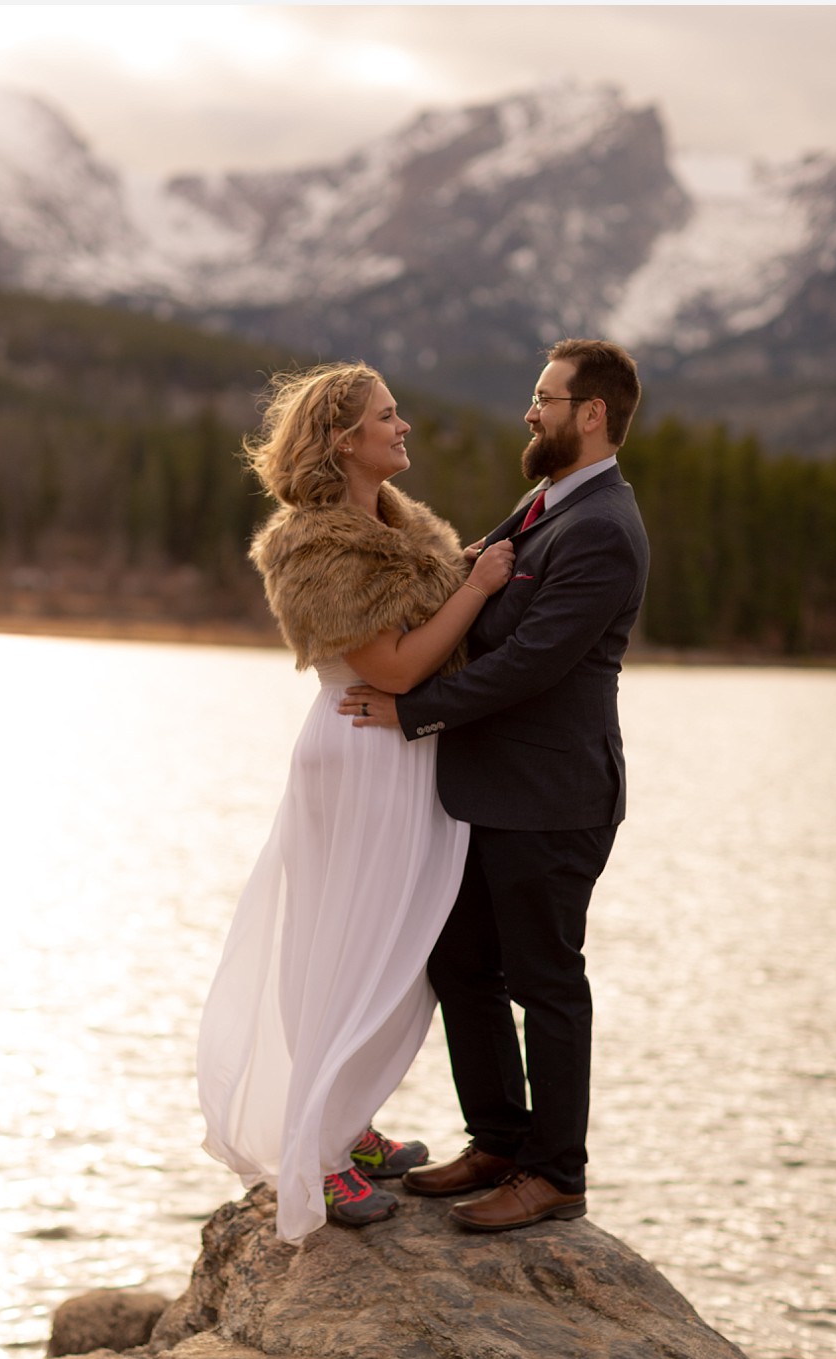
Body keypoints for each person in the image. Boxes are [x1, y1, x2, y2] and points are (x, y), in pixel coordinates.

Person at [196, 361, 515, 1243]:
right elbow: (394, 670)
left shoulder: (401, 527)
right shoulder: (318, 544)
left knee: (395, 948)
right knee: (346, 944)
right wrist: (479, 586)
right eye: (387, 415)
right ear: (344, 441)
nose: (404, 425)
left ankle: (348, 1121)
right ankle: (319, 1158)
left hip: (403, 753)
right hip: (361, 751)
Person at [338, 339, 650, 1232]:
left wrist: (413, 710)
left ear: (591, 413)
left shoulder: (604, 529)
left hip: (554, 800)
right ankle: (500, 1141)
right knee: (461, 961)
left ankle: (556, 1174)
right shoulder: (549, 501)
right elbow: (470, 591)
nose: (532, 409)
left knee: (546, 982)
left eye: (547, 397)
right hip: (490, 794)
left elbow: (528, 666)